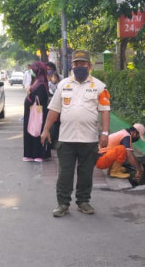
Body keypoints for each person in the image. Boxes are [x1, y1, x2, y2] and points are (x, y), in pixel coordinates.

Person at [40, 49, 110, 217]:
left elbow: (105, 110)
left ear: (89, 66)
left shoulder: (100, 87)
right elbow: (54, 110)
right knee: (65, 173)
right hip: (66, 138)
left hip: (89, 139)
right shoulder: (63, 85)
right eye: (76, 64)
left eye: (82, 64)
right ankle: (63, 204)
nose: (79, 66)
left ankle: (83, 201)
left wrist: (105, 133)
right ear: (72, 66)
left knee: (86, 173)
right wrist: (46, 130)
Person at [23, 61, 52, 162]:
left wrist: (29, 95)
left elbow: (39, 98)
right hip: (32, 113)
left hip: (37, 112)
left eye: (33, 68)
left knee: (37, 131)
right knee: (30, 131)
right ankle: (30, 154)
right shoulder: (36, 81)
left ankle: (39, 154)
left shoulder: (41, 83)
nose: (31, 71)